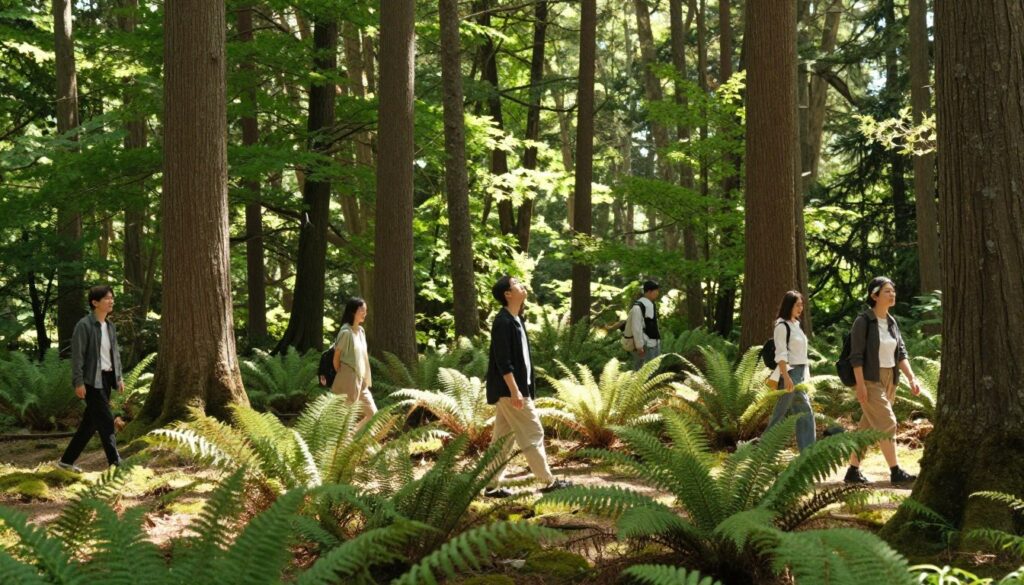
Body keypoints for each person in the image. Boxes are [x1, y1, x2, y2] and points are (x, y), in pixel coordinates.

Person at [483, 275, 572, 498]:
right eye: (516, 284)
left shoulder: (517, 319)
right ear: (508, 294)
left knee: (503, 439)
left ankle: (492, 485)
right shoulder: (502, 322)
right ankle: (548, 482)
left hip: (515, 389)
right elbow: (503, 361)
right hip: (509, 391)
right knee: (534, 431)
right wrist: (515, 391)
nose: (522, 285)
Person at [843, 277, 921, 484]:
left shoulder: (892, 322)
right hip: (869, 379)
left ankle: (852, 471)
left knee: (867, 428)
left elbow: (901, 353)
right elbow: (856, 356)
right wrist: (860, 385)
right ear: (874, 295)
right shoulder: (863, 322)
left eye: (893, 291)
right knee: (888, 423)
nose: (892, 294)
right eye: (887, 291)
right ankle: (895, 471)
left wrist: (912, 378)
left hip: (890, 380)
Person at [58, 285, 124, 472]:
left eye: (112, 297)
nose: (111, 301)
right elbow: (77, 356)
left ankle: (66, 461)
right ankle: (115, 462)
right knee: (105, 420)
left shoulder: (109, 326)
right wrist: (78, 382)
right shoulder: (84, 325)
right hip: (91, 381)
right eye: (107, 298)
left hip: (106, 379)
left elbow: (114, 355)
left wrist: (118, 378)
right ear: (95, 303)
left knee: (90, 424)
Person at [765, 291, 815, 452]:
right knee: (785, 414)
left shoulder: (796, 325)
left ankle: (807, 453)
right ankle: (761, 451)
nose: (801, 308)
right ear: (789, 305)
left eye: (802, 304)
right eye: (797, 304)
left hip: (799, 373)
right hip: (790, 373)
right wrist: (786, 377)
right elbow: (780, 354)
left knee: (800, 413)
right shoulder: (782, 326)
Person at [332, 297, 377, 429]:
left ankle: (351, 437)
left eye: (366, 310)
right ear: (353, 312)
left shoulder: (361, 331)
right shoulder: (346, 332)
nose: (365, 313)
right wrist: (344, 375)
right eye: (362, 310)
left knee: (373, 414)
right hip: (348, 377)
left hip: (361, 380)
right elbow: (336, 358)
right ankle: (344, 445)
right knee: (347, 418)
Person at [626, 280, 662, 371]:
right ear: (649, 292)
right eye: (656, 291)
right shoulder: (638, 307)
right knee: (644, 373)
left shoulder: (651, 304)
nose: (658, 293)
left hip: (654, 343)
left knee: (653, 371)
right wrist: (639, 346)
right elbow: (636, 328)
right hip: (645, 345)